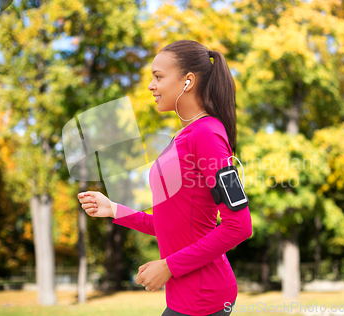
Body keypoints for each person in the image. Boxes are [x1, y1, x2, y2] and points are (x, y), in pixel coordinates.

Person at [77, 40, 252, 316]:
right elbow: (174, 224)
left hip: (205, 299)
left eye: (158, 77)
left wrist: (169, 266)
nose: (151, 85)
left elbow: (239, 226)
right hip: (185, 298)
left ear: (188, 81)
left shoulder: (207, 134)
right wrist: (114, 210)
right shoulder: (183, 137)